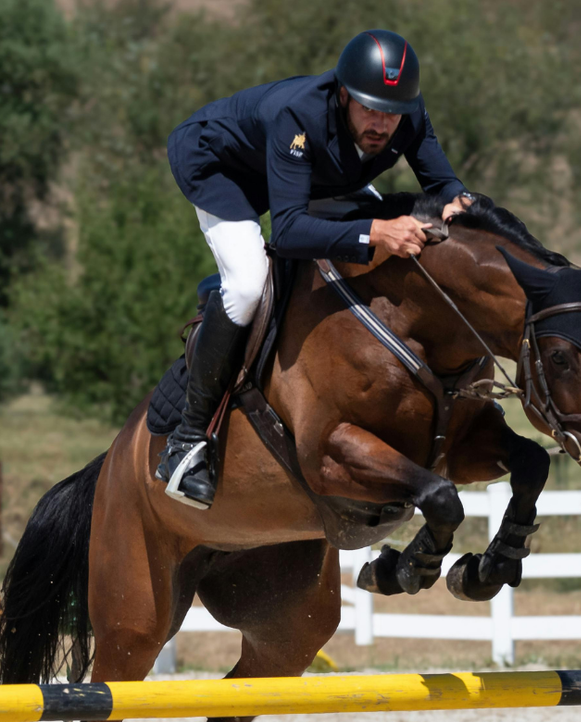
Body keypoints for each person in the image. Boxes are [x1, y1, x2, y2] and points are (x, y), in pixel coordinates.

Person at [157, 28, 472, 508]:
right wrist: (375, 235)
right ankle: (188, 441)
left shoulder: (406, 113)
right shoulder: (298, 115)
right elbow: (285, 233)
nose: (381, 123)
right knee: (246, 284)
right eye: (369, 108)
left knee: (398, 219)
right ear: (343, 93)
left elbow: (441, 181)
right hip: (220, 166)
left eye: (391, 113)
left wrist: (458, 203)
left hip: (303, 171)